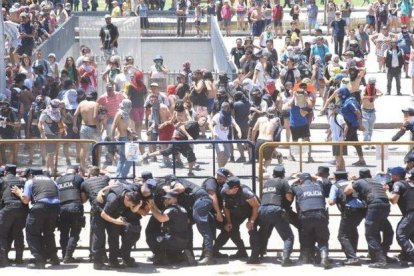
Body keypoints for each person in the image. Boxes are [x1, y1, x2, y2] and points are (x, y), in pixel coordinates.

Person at [11, 168, 60, 269]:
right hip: (55, 208)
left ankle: (39, 261)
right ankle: (53, 258)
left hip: (40, 207)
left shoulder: (31, 181)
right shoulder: (53, 181)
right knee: (49, 233)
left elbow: (26, 200)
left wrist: (19, 193)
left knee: (32, 233)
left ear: (31, 174)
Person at [344, 169, 391, 268]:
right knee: (383, 230)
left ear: (360, 176)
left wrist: (352, 181)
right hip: (386, 205)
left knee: (370, 233)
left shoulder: (359, 182)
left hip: (374, 205)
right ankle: (381, 254)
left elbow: (347, 191)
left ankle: (380, 260)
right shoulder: (376, 181)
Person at [142, 116, 208, 177]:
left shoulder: (197, 129)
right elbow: (181, 127)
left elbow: (193, 138)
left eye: (205, 121)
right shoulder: (193, 124)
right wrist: (189, 136)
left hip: (184, 143)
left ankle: (190, 173)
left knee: (191, 157)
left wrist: (195, 140)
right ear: (199, 119)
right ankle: (147, 155)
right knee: (166, 152)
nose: (204, 122)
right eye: (203, 120)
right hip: (178, 139)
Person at [215, 176, 260, 264]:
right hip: (238, 211)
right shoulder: (224, 191)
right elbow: (226, 207)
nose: (226, 189)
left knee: (252, 230)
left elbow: (256, 206)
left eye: (229, 188)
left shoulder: (246, 193)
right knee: (231, 229)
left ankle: (255, 257)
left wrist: (251, 221)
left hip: (252, 211)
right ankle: (242, 251)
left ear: (235, 188)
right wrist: (229, 221)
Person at [99, 182, 143, 268]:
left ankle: (125, 258)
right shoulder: (113, 199)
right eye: (130, 204)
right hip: (110, 214)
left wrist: (138, 206)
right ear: (126, 198)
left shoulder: (132, 192)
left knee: (132, 232)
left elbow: (133, 210)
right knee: (114, 238)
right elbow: (103, 214)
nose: (131, 206)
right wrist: (115, 221)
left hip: (121, 213)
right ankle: (113, 261)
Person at [292, 173, 331, 269]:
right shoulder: (319, 185)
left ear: (300, 181)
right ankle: (324, 257)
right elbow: (323, 180)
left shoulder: (298, 188)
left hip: (306, 216)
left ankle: (307, 258)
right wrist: (314, 177)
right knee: (323, 239)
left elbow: (290, 184)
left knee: (307, 237)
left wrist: (296, 179)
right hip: (321, 215)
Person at [257, 165, 294, 266]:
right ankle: (286, 259)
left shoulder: (266, 183)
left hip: (263, 210)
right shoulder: (283, 182)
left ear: (273, 174)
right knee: (288, 237)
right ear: (283, 174)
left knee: (264, 233)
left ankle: (257, 254)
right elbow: (289, 198)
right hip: (276, 210)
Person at [328, 171, 366, 265]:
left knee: (342, 235)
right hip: (362, 210)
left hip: (349, 210)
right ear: (346, 176)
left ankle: (352, 258)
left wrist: (331, 199)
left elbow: (331, 202)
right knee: (353, 231)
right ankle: (353, 254)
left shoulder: (335, 185)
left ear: (336, 178)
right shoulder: (354, 183)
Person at [148, 191, 196, 266]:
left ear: (174, 199)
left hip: (172, 240)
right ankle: (181, 256)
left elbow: (161, 218)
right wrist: (153, 206)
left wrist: (152, 209)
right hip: (184, 241)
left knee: (152, 237)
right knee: (173, 257)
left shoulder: (170, 209)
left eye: (168, 199)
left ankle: (162, 258)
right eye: (165, 199)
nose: (165, 200)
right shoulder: (182, 209)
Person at [80, 166, 110, 270]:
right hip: (109, 207)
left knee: (97, 234)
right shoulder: (104, 178)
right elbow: (107, 173)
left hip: (96, 208)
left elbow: (83, 200)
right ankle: (105, 257)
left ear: (89, 173)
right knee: (109, 233)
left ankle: (97, 260)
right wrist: (100, 171)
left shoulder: (84, 183)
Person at [0, 165, 28, 267]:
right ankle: (19, 258)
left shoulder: (2, 180)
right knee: (18, 233)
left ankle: (3, 260)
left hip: (8, 209)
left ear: (5, 172)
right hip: (22, 209)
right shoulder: (22, 181)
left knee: (2, 234)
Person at [55, 166, 85, 263]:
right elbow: (83, 195)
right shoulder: (77, 178)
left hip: (62, 208)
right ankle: (68, 256)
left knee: (64, 232)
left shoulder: (58, 180)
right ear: (76, 172)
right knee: (75, 232)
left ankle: (64, 254)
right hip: (75, 206)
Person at [386, 168, 414, 263]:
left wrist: (385, 191)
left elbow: (394, 200)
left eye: (392, 174)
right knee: (410, 234)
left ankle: (411, 254)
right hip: (410, 213)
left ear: (397, 175)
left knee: (401, 234)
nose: (390, 176)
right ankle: (405, 254)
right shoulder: (409, 183)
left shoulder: (398, 184)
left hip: (410, 213)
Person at [73, 91, 100, 171]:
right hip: (92, 127)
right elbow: (95, 117)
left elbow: (74, 115)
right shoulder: (95, 104)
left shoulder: (81, 103)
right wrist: (98, 128)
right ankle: (96, 167)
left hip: (83, 127)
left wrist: (74, 125)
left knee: (83, 148)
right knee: (96, 148)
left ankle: (82, 166)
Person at [38, 99, 67, 174]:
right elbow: (40, 123)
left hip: (57, 134)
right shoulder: (45, 112)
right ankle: (52, 170)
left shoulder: (58, 112)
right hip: (48, 134)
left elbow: (60, 121)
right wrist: (43, 134)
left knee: (53, 153)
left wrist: (64, 127)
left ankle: (48, 169)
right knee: (50, 153)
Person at [211, 102, 241, 168]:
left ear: (228, 108)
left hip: (225, 139)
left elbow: (235, 125)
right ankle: (220, 170)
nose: (224, 108)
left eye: (226, 107)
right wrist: (213, 132)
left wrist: (239, 131)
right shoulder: (218, 116)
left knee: (227, 155)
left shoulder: (229, 117)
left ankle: (221, 168)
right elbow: (210, 124)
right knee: (221, 153)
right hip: (218, 138)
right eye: (223, 107)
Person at [111, 99, 134, 178]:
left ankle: (118, 176)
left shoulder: (125, 114)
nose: (130, 108)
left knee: (122, 159)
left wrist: (130, 131)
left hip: (127, 138)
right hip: (122, 138)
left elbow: (125, 126)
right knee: (131, 159)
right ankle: (122, 176)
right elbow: (114, 125)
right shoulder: (119, 113)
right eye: (129, 106)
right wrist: (112, 137)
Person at [327, 103, 347, 170]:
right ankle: (343, 170)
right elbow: (331, 127)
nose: (330, 110)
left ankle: (338, 171)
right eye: (329, 109)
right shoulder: (330, 117)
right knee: (339, 156)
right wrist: (328, 136)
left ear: (335, 109)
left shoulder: (338, 117)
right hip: (334, 140)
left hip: (339, 139)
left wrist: (343, 136)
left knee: (338, 157)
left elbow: (346, 126)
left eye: (332, 109)